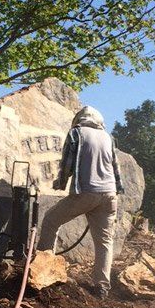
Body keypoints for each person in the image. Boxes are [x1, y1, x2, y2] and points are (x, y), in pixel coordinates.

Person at [38, 105, 124, 297]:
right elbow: (115, 168)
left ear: (79, 119)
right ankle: (102, 287)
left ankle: (43, 270)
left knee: (51, 220)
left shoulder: (76, 133)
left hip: (86, 192)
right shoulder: (108, 138)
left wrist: (59, 184)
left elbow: (67, 164)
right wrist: (117, 189)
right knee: (104, 242)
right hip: (109, 195)